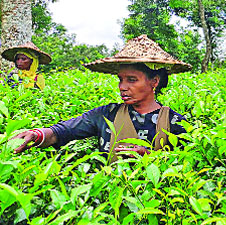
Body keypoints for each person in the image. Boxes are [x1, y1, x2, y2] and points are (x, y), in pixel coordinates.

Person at [11, 35, 192, 161]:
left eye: (132, 80)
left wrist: (152, 156)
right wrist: (36, 135)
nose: (122, 87)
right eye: (120, 79)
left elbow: (190, 161)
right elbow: (64, 131)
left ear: (154, 81)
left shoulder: (174, 121)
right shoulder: (107, 114)